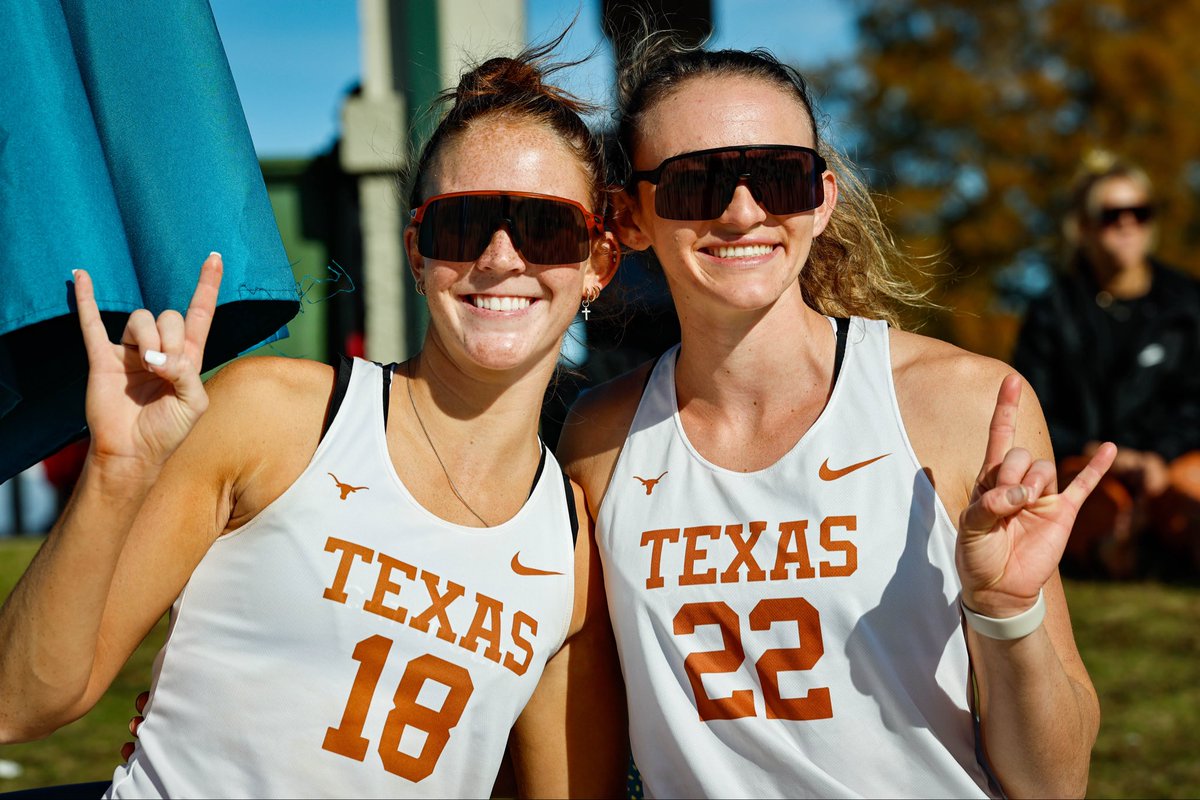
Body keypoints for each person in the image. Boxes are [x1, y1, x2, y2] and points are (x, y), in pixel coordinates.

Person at [0, 42, 625, 799]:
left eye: (546, 228)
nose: (499, 258)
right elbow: (21, 704)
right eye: (461, 226)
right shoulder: (275, 414)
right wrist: (114, 472)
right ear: (417, 254)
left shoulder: (570, 546)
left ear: (598, 264)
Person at [557, 32, 1115, 799]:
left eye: (779, 178)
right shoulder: (597, 438)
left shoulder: (962, 405)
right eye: (695, 185)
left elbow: (1056, 785)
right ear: (630, 218)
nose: (744, 211)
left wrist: (1005, 611)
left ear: (821, 201)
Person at [1013, 151, 1200, 579]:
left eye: (1140, 212)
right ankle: (1119, 550)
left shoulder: (1187, 303)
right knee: (1095, 506)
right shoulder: (1053, 311)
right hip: (1087, 461)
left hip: (1172, 463)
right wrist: (1097, 451)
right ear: (1084, 226)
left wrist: (1160, 456)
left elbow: (1196, 399)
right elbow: (1032, 406)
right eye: (1112, 214)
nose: (1128, 224)